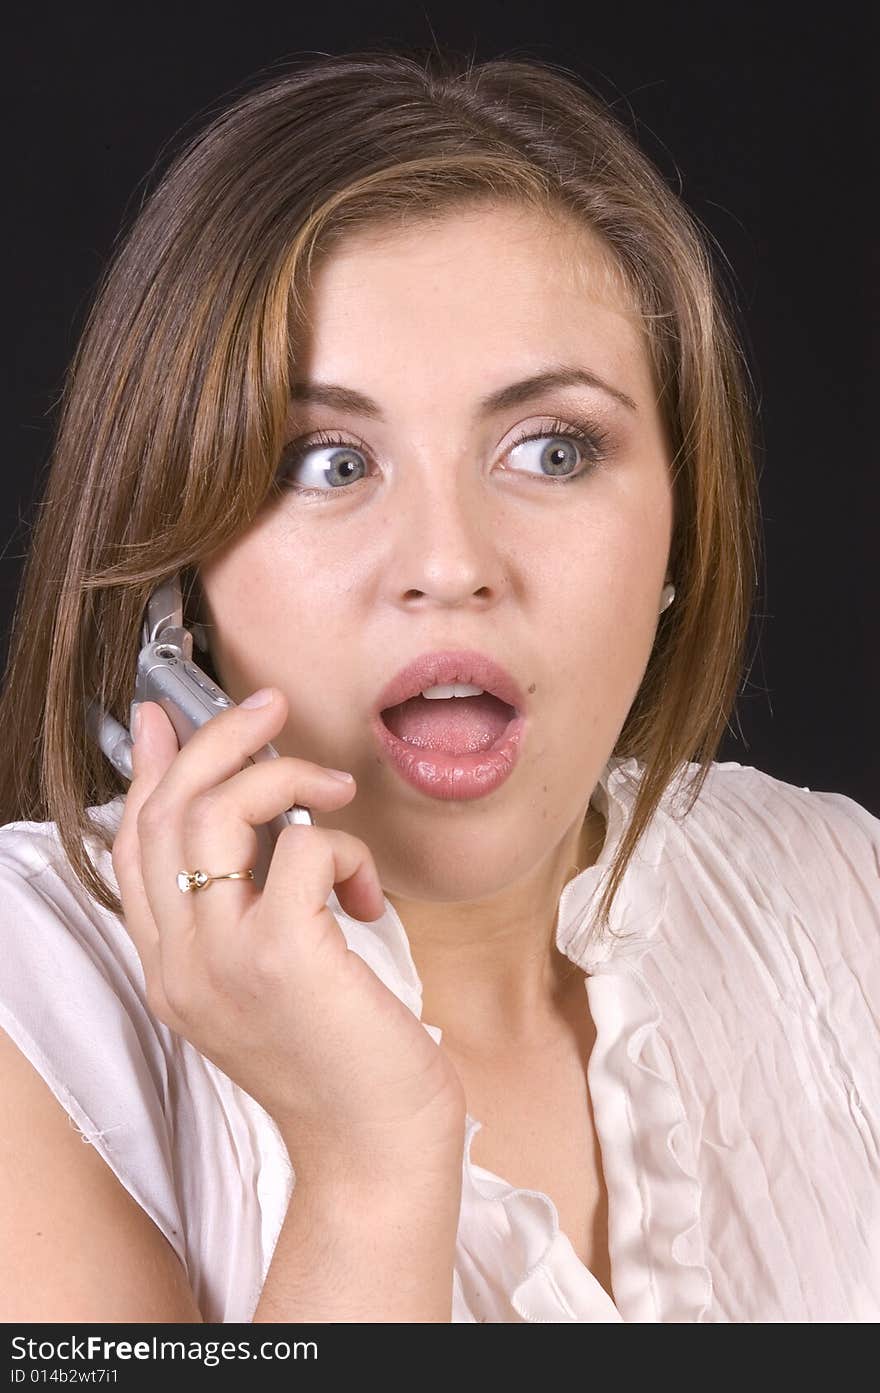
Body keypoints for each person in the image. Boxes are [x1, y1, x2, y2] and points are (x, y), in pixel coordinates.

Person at [0, 46, 877, 1325]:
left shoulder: (843, 890)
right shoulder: (32, 1002)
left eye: (551, 448)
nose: (450, 564)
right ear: (172, 585)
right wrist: (367, 1170)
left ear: (683, 530)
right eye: (325, 463)